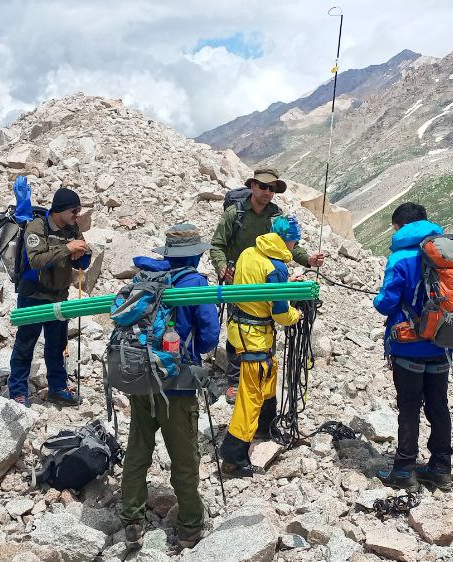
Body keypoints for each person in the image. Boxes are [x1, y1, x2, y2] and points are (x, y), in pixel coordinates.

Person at [118, 224, 220, 549]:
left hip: (139, 378)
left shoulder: (144, 280)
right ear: (196, 254)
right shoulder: (195, 284)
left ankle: (132, 520)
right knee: (184, 458)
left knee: (137, 451)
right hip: (177, 385)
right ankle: (190, 525)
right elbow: (209, 338)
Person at [209, 168, 325, 403]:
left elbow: (287, 245)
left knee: (264, 324)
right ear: (252, 186)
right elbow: (217, 245)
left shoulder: (276, 215)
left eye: (272, 188)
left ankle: (260, 373)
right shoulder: (235, 213)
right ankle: (234, 380)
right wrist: (222, 268)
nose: (267, 192)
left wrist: (307, 260)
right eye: (263, 187)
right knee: (236, 325)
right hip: (237, 280)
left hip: (267, 278)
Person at [372, 202, 453, 491]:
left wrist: (379, 298)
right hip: (443, 343)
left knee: (409, 407)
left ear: (400, 226)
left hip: (409, 346)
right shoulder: (446, 253)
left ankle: (404, 470)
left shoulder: (400, 258)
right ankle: (441, 468)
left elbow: (386, 304)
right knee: (438, 405)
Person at [217, 217, 304, 477]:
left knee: (268, 374)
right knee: (251, 394)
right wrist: (296, 315)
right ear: (289, 241)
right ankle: (233, 457)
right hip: (256, 335)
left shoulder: (249, 253)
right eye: (295, 241)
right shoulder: (275, 267)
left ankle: (265, 427)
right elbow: (279, 314)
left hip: (240, 329)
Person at [9, 186, 91, 407]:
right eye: (74, 210)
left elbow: (82, 255)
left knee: (57, 344)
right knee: (25, 344)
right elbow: (36, 260)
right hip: (33, 296)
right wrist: (67, 249)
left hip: (58, 296)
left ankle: (58, 388)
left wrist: (83, 256)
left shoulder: (72, 229)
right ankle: (17, 391)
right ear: (60, 210)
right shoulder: (37, 227)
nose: (77, 215)